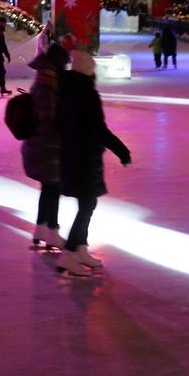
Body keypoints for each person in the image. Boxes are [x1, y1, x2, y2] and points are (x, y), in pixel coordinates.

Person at [55, 50, 131, 277]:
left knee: (87, 205)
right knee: (87, 206)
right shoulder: (86, 94)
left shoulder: (66, 90)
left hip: (70, 155)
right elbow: (99, 130)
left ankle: (80, 249)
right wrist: (122, 151)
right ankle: (68, 255)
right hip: (84, 158)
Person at [21, 42, 69, 251]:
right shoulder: (48, 84)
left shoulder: (43, 79)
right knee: (53, 188)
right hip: (47, 147)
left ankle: (40, 231)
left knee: (48, 189)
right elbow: (47, 117)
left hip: (40, 146)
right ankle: (53, 233)